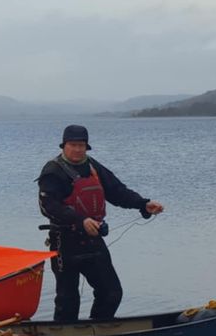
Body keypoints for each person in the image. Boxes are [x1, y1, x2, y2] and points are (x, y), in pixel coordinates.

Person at [36, 124, 163, 323]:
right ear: (64, 145)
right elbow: (48, 207)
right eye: (73, 145)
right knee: (68, 301)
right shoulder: (53, 171)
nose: (78, 149)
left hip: (93, 241)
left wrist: (143, 204)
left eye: (82, 145)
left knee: (111, 293)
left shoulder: (93, 166)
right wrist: (80, 220)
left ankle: (97, 332)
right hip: (64, 242)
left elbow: (117, 191)